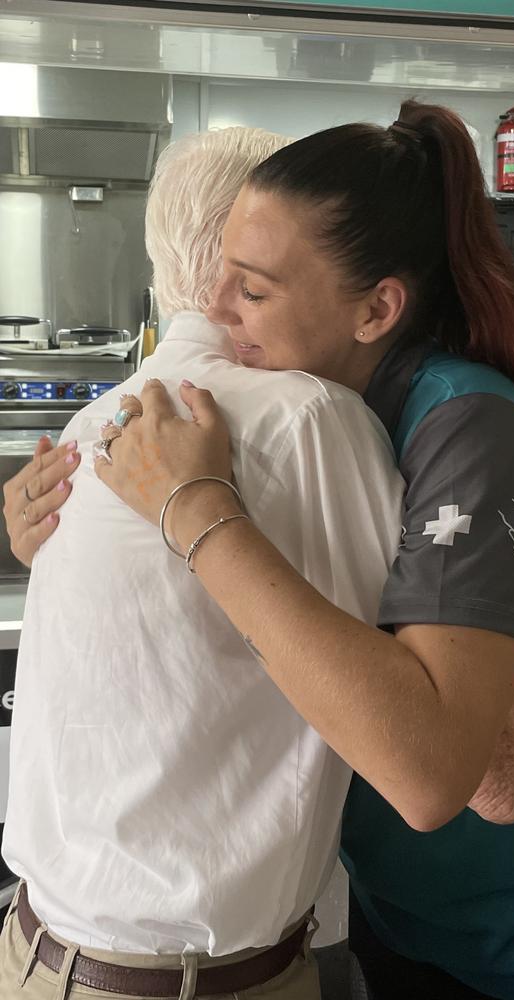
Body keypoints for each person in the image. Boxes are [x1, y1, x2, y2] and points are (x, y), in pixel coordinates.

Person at [87, 102, 514, 1000]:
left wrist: (196, 512)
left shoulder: (465, 421)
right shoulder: (314, 411)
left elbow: (439, 773)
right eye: (219, 274)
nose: (216, 310)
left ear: (378, 307)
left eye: (255, 289)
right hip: (410, 918)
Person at [0, 126, 407, 1000]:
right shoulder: (311, 419)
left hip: (32, 951)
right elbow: (407, 703)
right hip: (194, 983)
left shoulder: (93, 420)